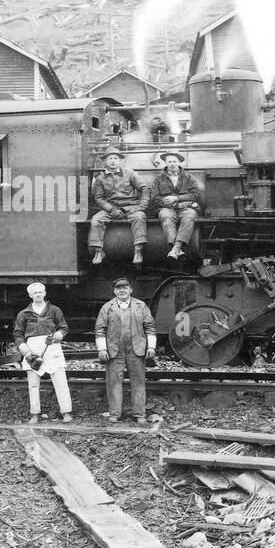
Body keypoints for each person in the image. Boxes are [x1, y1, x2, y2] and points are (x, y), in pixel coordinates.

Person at [94, 278, 157, 424]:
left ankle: (139, 413)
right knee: (114, 382)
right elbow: (100, 329)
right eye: (118, 288)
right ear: (114, 291)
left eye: (125, 287)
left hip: (137, 349)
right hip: (114, 350)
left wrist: (151, 346)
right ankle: (115, 413)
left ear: (130, 289)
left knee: (138, 382)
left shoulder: (141, 306)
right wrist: (102, 348)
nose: (122, 290)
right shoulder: (107, 307)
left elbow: (150, 327)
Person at [13, 282, 73, 424]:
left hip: (52, 347)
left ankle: (66, 412)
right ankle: (34, 414)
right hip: (32, 348)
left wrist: (58, 335)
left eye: (41, 292)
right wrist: (25, 351)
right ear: (30, 295)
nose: (38, 294)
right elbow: (18, 334)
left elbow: (64, 327)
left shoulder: (54, 310)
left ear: (45, 293)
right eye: (35, 293)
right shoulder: (24, 314)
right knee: (33, 384)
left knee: (60, 381)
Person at [89, 147, 150, 266]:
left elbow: (144, 189)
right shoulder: (100, 178)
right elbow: (98, 198)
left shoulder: (130, 173)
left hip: (130, 206)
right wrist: (111, 209)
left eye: (115, 158)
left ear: (120, 160)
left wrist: (142, 206)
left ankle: (138, 250)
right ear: (105, 161)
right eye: (110, 158)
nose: (113, 161)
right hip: (110, 208)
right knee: (96, 220)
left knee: (139, 217)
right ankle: (98, 251)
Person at [152, 150, 203, 259]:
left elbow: (195, 194)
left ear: (179, 162)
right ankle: (177, 249)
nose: (172, 164)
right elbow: (155, 198)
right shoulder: (158, 178)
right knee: (166, 216)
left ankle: (175, 249)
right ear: (165, 163)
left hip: (186, 208)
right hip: (167, 208)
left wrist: (176, 198)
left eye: (174, 161)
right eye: (169, 161)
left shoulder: (188, 177)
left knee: (189, 216)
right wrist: (175, 205)